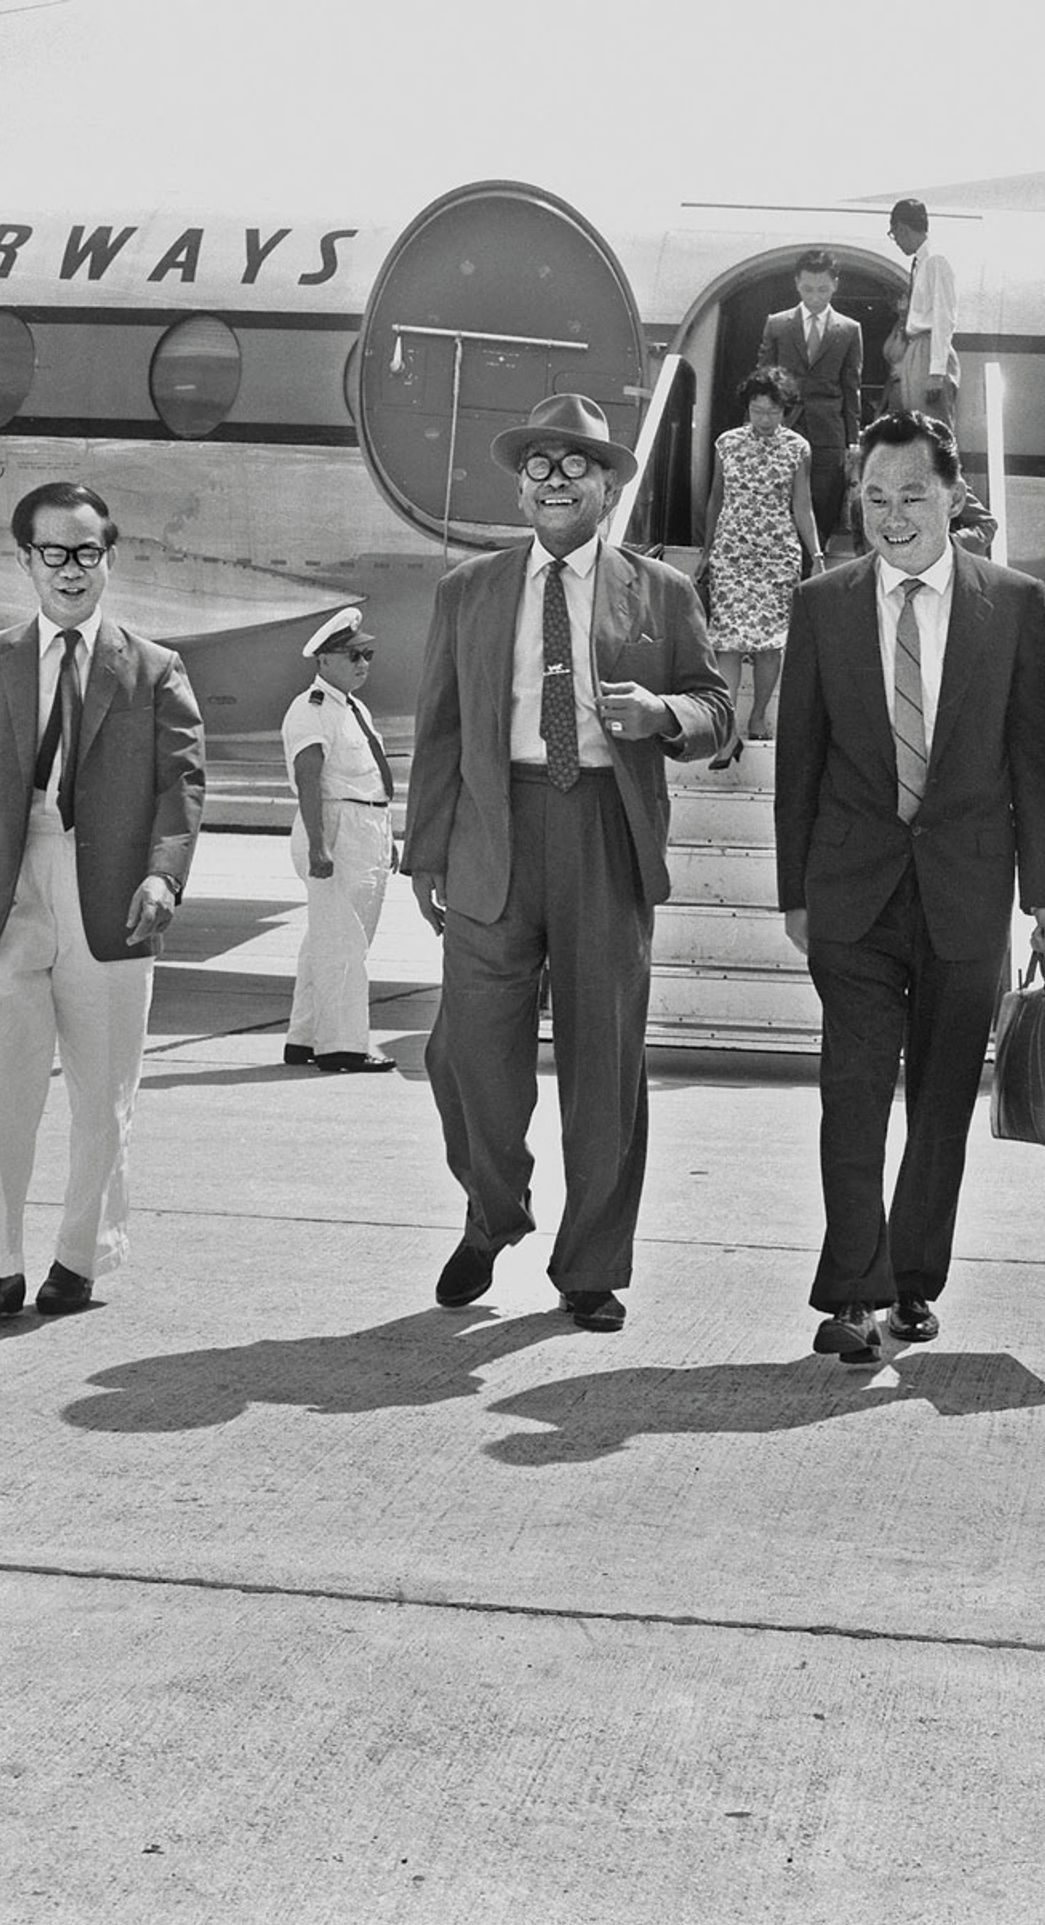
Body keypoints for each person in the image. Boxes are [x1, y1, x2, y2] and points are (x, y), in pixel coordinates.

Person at [404, 393, 730, 1332]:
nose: (556, 477)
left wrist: (663, 714)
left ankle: (590, 1265)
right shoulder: (467, 591)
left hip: (603, 831)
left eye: (576, 463)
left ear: (607, 483)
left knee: (605, 1062)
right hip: (490, 829)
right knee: (462, 1053)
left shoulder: (659, 592)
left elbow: (715, 708)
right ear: (521, 487)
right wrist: (427, 846)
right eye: (540, 463)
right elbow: (440, 728)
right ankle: (493, 1211)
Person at [775, 411, 1045, 1362]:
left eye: (912, 495)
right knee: (852, 1090)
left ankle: (912, 1283)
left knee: (942, 1101)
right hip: (852, 894)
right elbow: (801, 765)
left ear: (953, 497)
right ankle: (853, 1294)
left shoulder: (1014, 603)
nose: (893, 515)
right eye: (874, 497)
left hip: (968, 892)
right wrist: (794, 892)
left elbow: (1036, 756)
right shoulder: (821, 605)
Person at [0, 481, 206, 1327]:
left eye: (88, 552)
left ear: (109, 559)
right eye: (55, 552)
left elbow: (183, 781)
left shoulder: (155, 668)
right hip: (6, 893)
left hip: (113, 897)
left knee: (102, 1091)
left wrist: (165, 874)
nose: (72, 569)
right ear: (25, 560)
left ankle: (78, 1258)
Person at [281, 606, 398, 1073]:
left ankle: (304, 1037)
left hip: (364, 827)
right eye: (353, 655)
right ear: (325, 660)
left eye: (366, 654)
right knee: (344, 944)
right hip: (333, 827)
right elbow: (310, 779)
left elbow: (367, 779)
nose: (363, 663)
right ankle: (343, 1047)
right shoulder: (310, 710)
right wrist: (318, 846)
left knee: (327, 941)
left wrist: (385, 837)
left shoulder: (353, 708)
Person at [697, 365, 821, 765]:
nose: (764, 418)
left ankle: (758, 714)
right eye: (756, 410)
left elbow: (802, 505)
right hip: (732, 550)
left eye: (771, 411)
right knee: (726, 643)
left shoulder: (797, 448)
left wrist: (815, 555)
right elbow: (717, 497)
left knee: (769, 646)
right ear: (747, 408)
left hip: (776, 553)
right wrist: (707, 548)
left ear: (785, 410)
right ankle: (726, 729)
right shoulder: (726, 443)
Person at [756, 249, 864, 548]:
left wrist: (852, 441)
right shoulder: (777, 324)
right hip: (781, 428)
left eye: (823, 289)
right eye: (807, 289)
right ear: (796, 284)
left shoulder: (850, 329)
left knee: (824, 504)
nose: (815, 297)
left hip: (828, 431)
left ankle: (810, 570)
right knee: (776, 501)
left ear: (835, 285)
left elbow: (851, 387)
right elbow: (762, 381)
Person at [883, 198, 960, 426]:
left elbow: (944, 317)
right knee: (916, 427)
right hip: (916, 349)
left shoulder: (936, 260)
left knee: (932, 427)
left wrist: (936, 372)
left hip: (928, 349)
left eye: (894, 234)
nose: (896, 241)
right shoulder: (922, 261)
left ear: (902, 229)